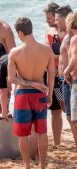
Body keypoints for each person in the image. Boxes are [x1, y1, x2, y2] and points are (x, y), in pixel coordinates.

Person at [8, 17, 54, 169]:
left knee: (23, 134)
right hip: (40, 94)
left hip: (22, 96)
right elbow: (52, 76)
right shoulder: (47, 50)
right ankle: (42, 166)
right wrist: (49, 94)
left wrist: (29, 83)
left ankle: (27, 166)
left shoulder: (15, 52)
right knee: (42, 132)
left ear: (20, 33)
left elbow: (12, 79)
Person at [0, 42, 48, 119]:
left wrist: (4, 113)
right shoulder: (16, 56)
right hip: (42, 85)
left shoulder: (1, 63)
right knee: (37, 125)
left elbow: (3, 92)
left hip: (28, 93)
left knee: (24, 124)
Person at [43, 2, 64, 147]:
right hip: (53, 75)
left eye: (49, 18)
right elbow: (47, 52)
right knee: (55, 110)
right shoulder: (48, 31)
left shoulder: (68, 32)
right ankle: (57, 143)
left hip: (66, 75)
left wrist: (52, 57)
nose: (48, 21)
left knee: (68, 109)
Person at [56, 6, 75, 147]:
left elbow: (74, 59)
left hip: (69, 80)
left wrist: (68, 72)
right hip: (64, 80)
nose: (56, 22)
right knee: (69, 115)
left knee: (71, 116)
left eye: (58, 19)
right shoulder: (66, 37)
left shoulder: (72, 38)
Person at [63, 12, 77, 151]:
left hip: (76, 83)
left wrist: (66, 72)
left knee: (74, 119)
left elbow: (74, 60)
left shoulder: (75, 39)